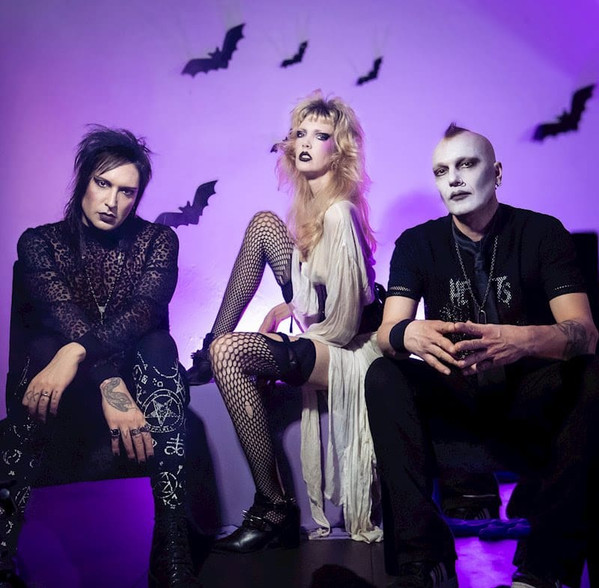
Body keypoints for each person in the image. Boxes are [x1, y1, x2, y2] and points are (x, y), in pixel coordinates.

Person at [365, 124, 599, 588]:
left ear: (497, 173)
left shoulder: (542, 232)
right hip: (456, 398)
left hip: (530, 401)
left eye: (466, 164)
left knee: (594, 373)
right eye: (441, 171)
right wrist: (408, 332)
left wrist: (521, 341)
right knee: (382, 374)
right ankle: (424, 561)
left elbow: (585, 333)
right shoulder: (417, 243)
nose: (453, 178)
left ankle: (545, 565)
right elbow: (386, 333)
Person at [0, 127, 200, 588]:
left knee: (158, 345)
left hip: (142, 390)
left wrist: (78, 352)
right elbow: (61, 317)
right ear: (83, 182)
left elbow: (143, 313)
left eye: (127, 191)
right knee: (46, 349)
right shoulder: (39, 244)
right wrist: (109, 384)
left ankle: (171, 547)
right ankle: (3, 549)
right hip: (67, 398)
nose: (112, 201)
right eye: (103, 183)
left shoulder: (157, 241)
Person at [187, 91, 383, 551]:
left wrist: (288, 343)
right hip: (324, 333)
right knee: (263, 223)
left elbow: (343, 326)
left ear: (341, 150)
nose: (306, 142)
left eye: (321, 135)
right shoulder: (310, 208)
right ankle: (209, 345)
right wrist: (286, 310)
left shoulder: (340, 213)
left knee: (230, 352)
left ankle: (273, 508)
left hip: (349, 351)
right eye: (300, 133)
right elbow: (317, 291)